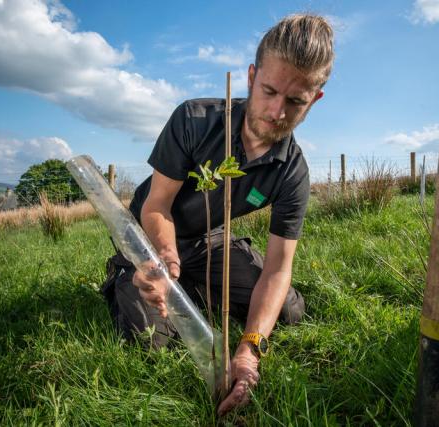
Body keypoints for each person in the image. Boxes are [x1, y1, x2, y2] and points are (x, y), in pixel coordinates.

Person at [101, 14, 334, 415]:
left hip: (208, 242)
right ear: (250, 76)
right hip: (152, 238)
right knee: (154, 342)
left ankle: (193, 286)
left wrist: (250, 349)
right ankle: (124, 274)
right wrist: (163, 261)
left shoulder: (292, 172)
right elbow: (156, 205)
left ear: (314, 99)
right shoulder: (194, 120)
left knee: (289, 310)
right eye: (269, 91)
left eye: (295, 101)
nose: (277, 112)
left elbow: (279, 269)